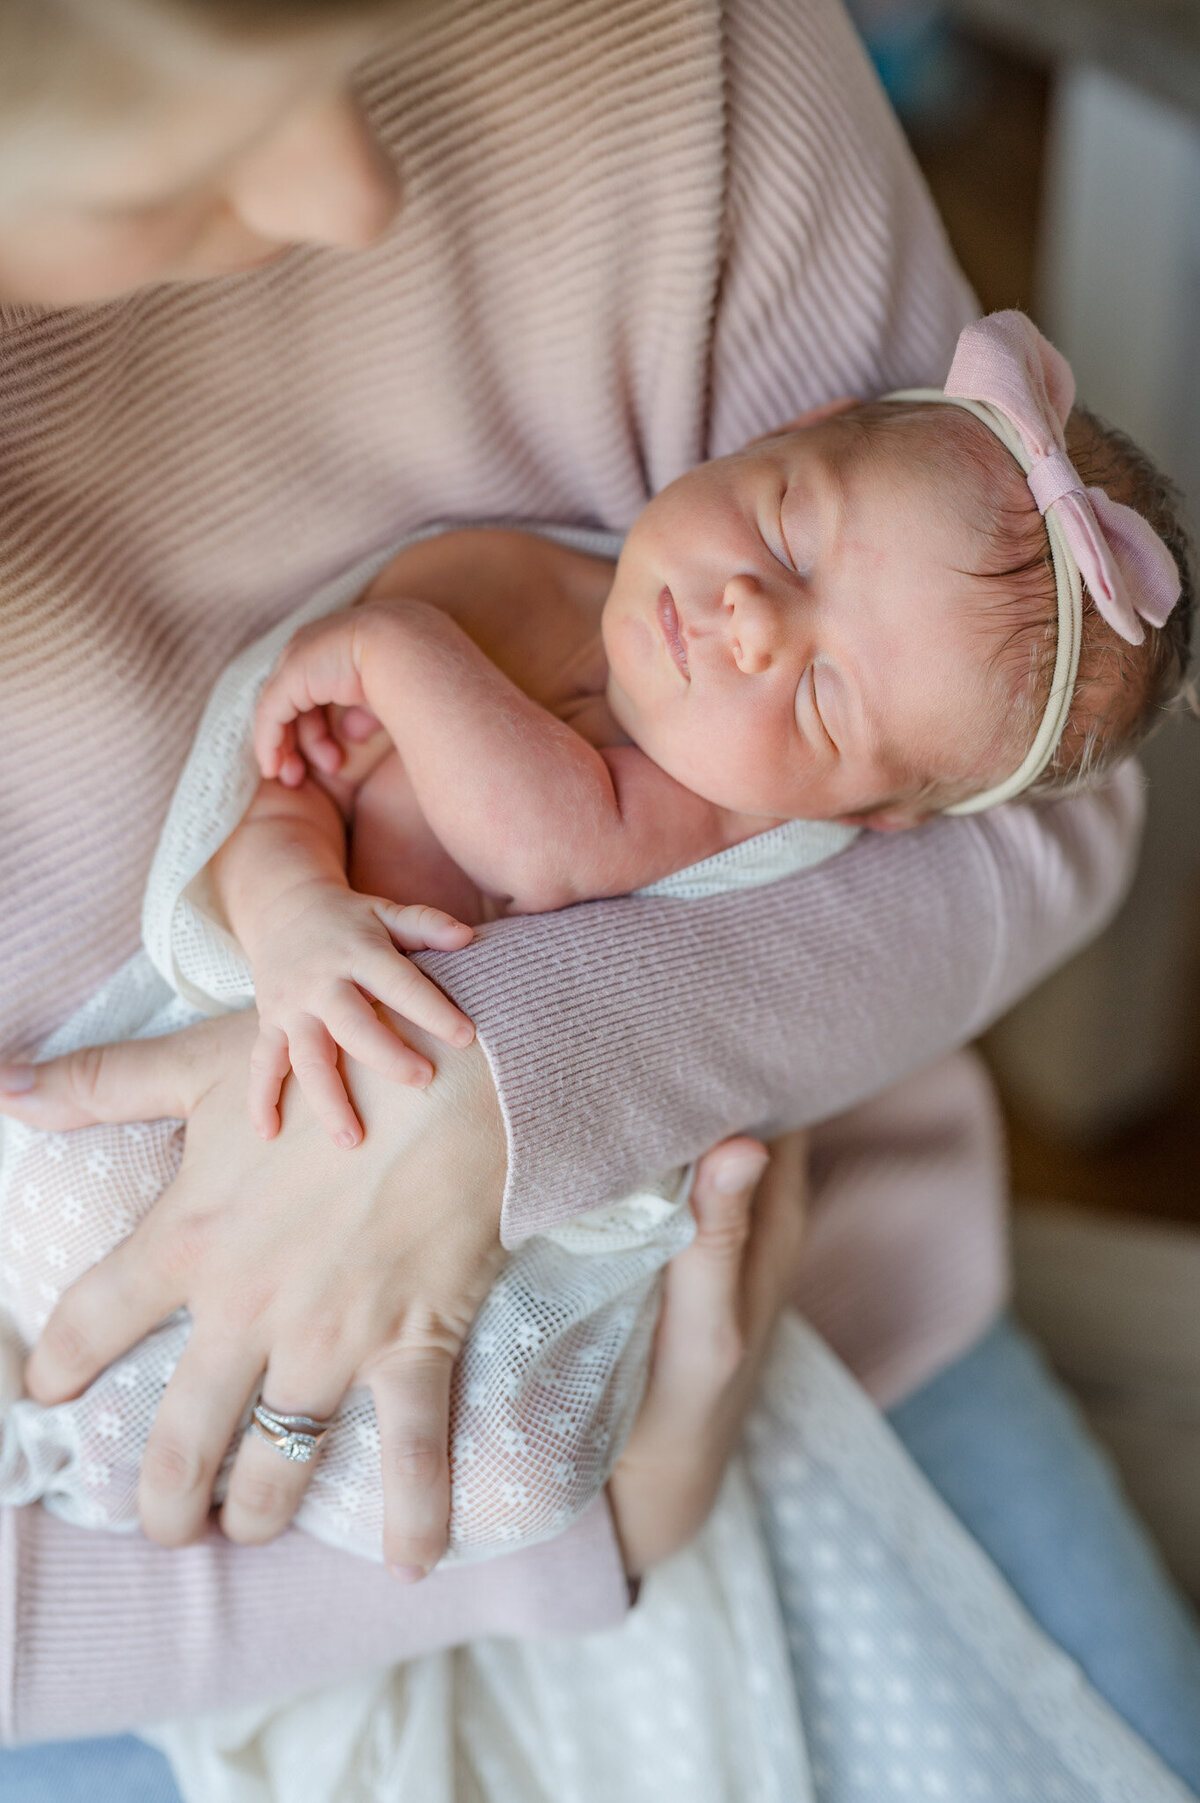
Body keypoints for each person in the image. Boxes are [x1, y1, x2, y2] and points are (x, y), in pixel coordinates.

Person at [1, 0, 1199, 1794]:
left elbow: (1041, 824)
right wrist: (605, 1533)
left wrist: (509, 1095)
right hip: (148, 1563)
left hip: (778, 1311)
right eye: (212, 132)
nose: (361, 185)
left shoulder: (671, 43)